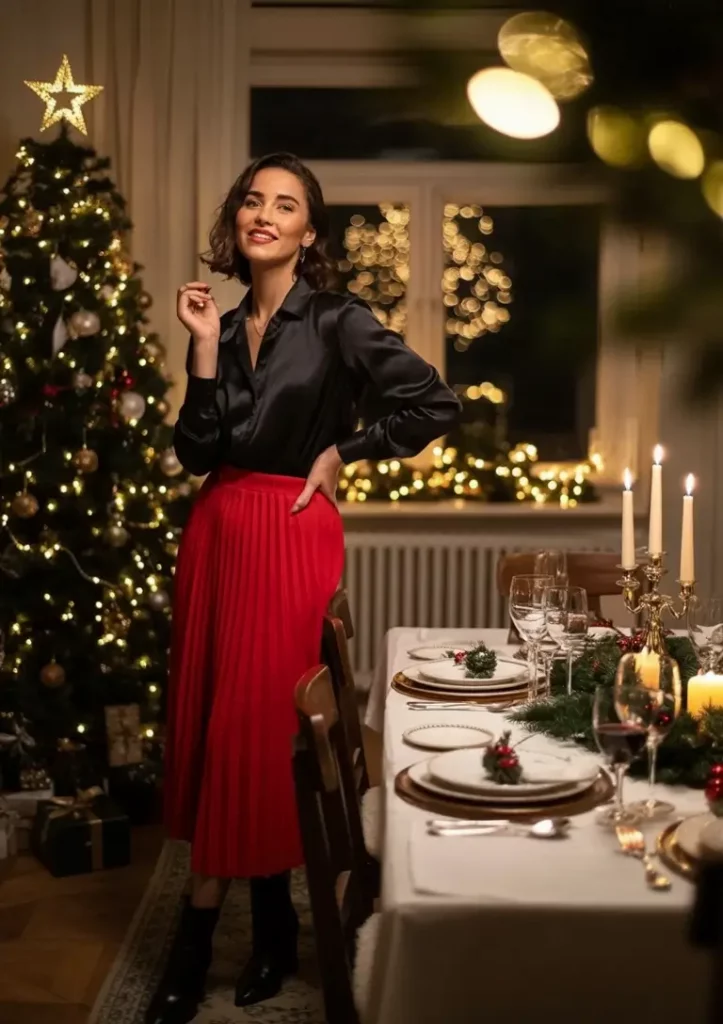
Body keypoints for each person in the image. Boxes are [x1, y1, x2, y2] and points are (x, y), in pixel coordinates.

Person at [146, 152, 461, 1024]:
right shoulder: (223, 316)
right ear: (238, 220)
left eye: (284, 206)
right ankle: (277, 923)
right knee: (218, 724)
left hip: (290, 529)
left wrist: (344, 452)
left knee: (260, 728)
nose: (264, 215)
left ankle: (197, 934)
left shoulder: (338, 320)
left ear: (307, 233)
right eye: (253, 200)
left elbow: (433, 404)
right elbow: (198, 452)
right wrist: (204, 352)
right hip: (217, 529)